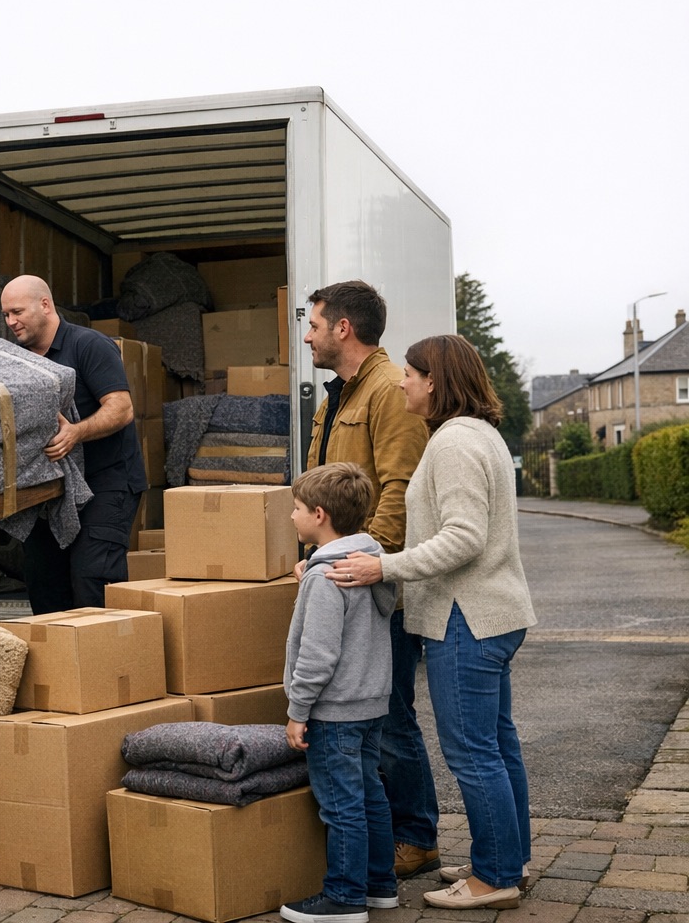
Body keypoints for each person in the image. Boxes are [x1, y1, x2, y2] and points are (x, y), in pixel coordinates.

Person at [328, 334, 537, 910]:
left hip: (467, 617)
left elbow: (464, 537)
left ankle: (494, 879)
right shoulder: (478, 435)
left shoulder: (451, 443)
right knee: (496, 745)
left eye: (412, 375)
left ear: (435, 382)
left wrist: (383, 566)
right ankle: (507, 860)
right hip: (492, 613)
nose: (402, 382)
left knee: (473, 752)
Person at [301, 280, 440, 880]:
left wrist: (362, 563)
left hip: (375, 585)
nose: (306, 334)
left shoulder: (387, 390)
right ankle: (377, 839)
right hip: (342, 573)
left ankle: (417, 835)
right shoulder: (336, 394)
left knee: (391, 715)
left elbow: (399, 489)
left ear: (342, 329)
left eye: (312, 323)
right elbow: (320, 486)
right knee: (370, 718)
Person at [280, 462, 399, 923]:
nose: (291, 517)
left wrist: (298, 710)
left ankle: (345, 899)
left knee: (340, 806)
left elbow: (318, 654)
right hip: (370, 705)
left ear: (319, 514)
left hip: (334, 712)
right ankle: (379, 885)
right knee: (370, 796)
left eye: (296, 509)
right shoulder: (366, 563)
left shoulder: (325, 578)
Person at [0, 275, 145, 612]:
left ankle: (106, 665)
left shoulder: (89, 346)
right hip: (50, 493)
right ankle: (61, 664)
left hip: (106, 484)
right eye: (6, 315)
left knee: (91, 581)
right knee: (43, 586)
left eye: (17, 312)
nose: (11, 322)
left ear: (45, 305)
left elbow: (121, 409)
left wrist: (74, 433)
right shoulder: (15, 361)